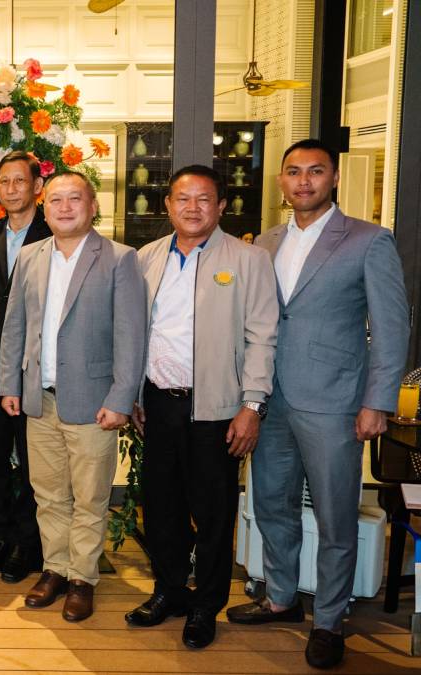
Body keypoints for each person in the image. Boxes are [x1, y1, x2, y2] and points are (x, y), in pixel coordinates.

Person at [228, 138, 409, 669]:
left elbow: (392, 328)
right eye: (293, 172)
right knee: (271, 504)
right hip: (270, 399)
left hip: (334, 401)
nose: (303, 181)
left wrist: (378, 401)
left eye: (315, 171)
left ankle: (329, 621)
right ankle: (281, 598)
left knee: (335, 516)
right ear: (280, 181)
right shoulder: (264, 242)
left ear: (333, 178)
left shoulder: (369, 240)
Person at [129, 165, 278, 649]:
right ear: (167, 205)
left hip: (217, 409)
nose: (192, 208)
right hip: (159, 401)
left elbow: (262, 337)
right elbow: (137, 333)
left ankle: (205, 605)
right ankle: (170, 591)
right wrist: (135, 395)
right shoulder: (147, 257)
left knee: (213, 513)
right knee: (161, 507)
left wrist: (252, 405)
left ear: (221, 206)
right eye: (183, 199)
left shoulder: (249, 259)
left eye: (204, 199)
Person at [0, 171, 145, 623]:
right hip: (39, 400)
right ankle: (55, 569)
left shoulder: (119, 259)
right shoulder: (31, 256)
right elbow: (14, 325)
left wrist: (121, 398)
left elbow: (131, 335)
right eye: (56, 200)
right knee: (48, 495)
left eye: (74, 199)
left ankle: (82, 578)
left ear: (92, 206)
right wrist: (10, 383)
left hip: (94, 402)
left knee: (90, 498)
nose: (64, 207)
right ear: (44, 208)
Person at [0, 151, 51, 582]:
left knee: (36, 462)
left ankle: (27, 542)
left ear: (38, 186)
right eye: (4, 181)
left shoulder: (54, 233)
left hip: (35, 366)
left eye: (20, 181)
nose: (11, 189)